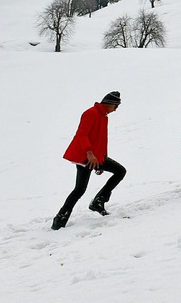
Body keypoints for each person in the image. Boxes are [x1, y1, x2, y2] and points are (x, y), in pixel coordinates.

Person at [52, 91, 127, 230]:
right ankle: (60, 219)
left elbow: (100, 141)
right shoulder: (90, 113)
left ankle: (99, 201)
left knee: (120, 171)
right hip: (84, 156)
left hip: (95, 157)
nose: (116, 109)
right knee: (80, 189)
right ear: (109, 104)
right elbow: (81, 134)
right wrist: (90, 153)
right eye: (116, 106)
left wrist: (100, 160)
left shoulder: (103, 116)